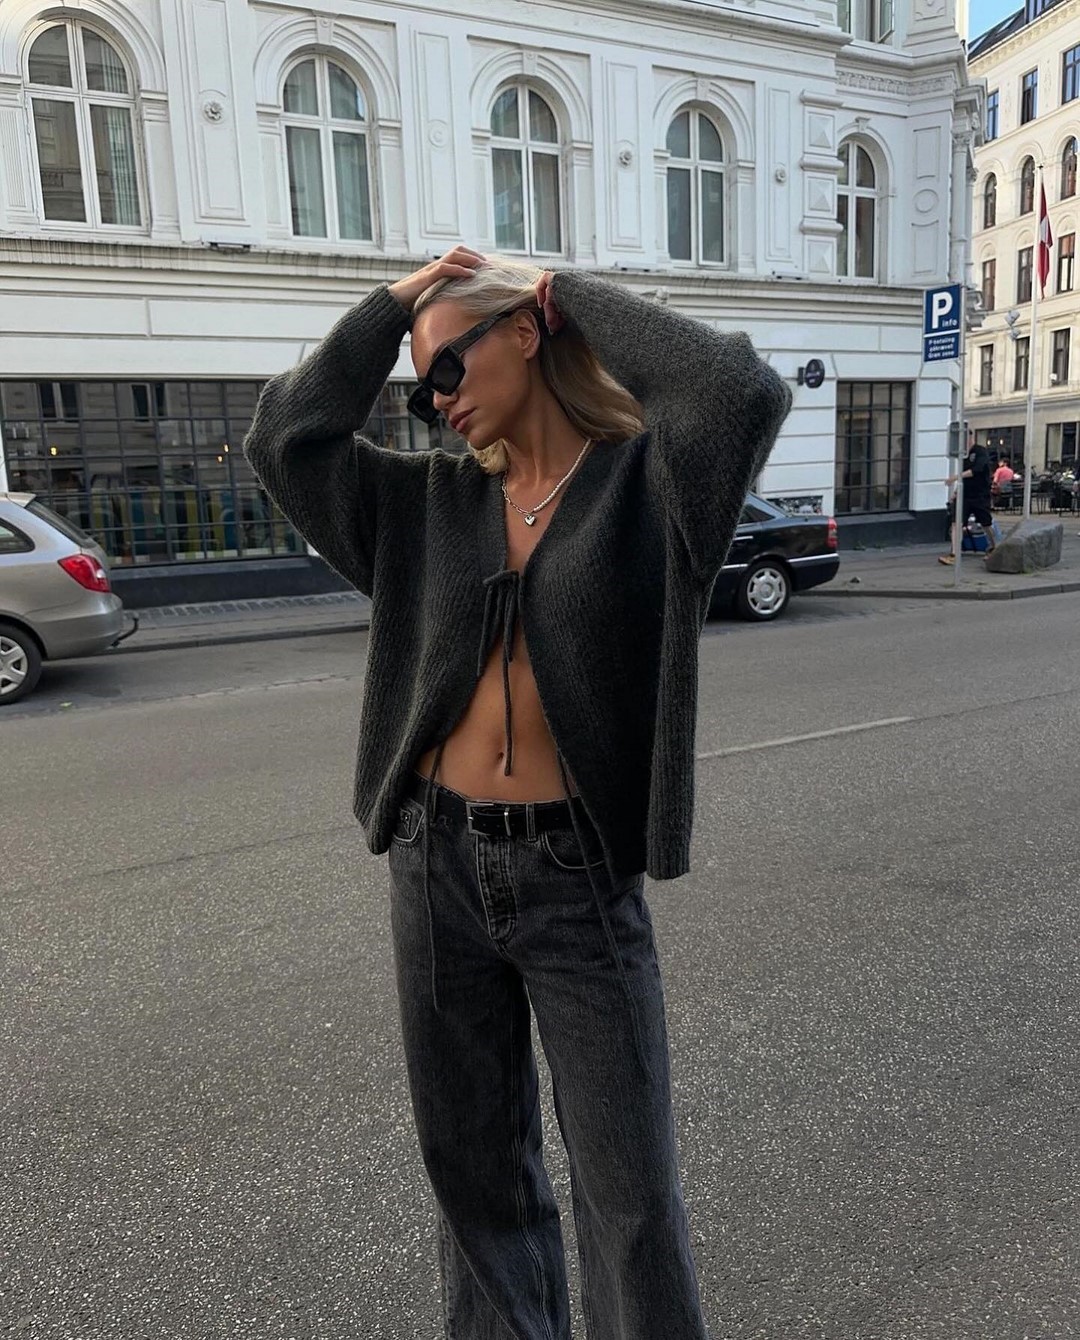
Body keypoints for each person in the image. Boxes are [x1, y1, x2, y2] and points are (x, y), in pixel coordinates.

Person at [243, 246, 791, 1339]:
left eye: (448, 368)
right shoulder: (422, 504)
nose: (437, 401)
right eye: (420, 388)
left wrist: (567, 290)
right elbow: (286, 440)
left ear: (527, 333)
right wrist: (394, 309)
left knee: (630, 1198)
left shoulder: (648, 486)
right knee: (476, 1179)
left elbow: (737, 387)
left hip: (576, 876)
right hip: (433, 865)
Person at [940, 438, 995, 564]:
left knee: (986, 523)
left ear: (971, 439)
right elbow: (963, 478)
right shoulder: (963, 455)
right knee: (956, 522)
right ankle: (954, 553)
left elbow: (976, 470)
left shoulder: (980, 452)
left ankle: (993, 546)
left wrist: (955, 477)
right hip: (964, 495)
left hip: (980, 495)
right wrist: (956, 493)